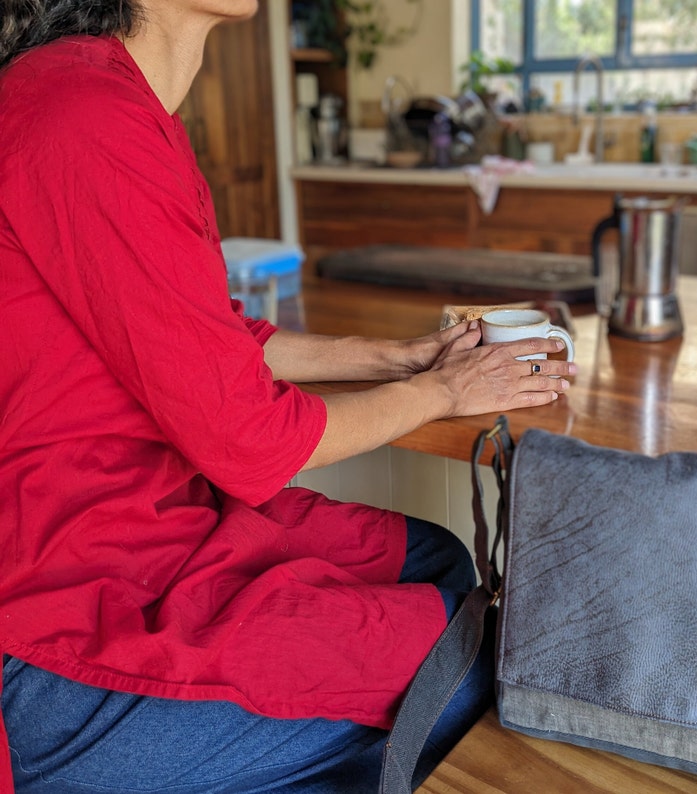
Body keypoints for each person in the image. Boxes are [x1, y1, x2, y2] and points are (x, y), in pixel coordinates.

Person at [0, 1, 577, 792]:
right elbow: (250, 442)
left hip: (151, 533)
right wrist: (439, 390)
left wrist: (395, 355)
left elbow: (203, 333)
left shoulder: (114, 100)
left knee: (436, 559)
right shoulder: (80, 113)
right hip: (57, 622)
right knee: (474, 665)